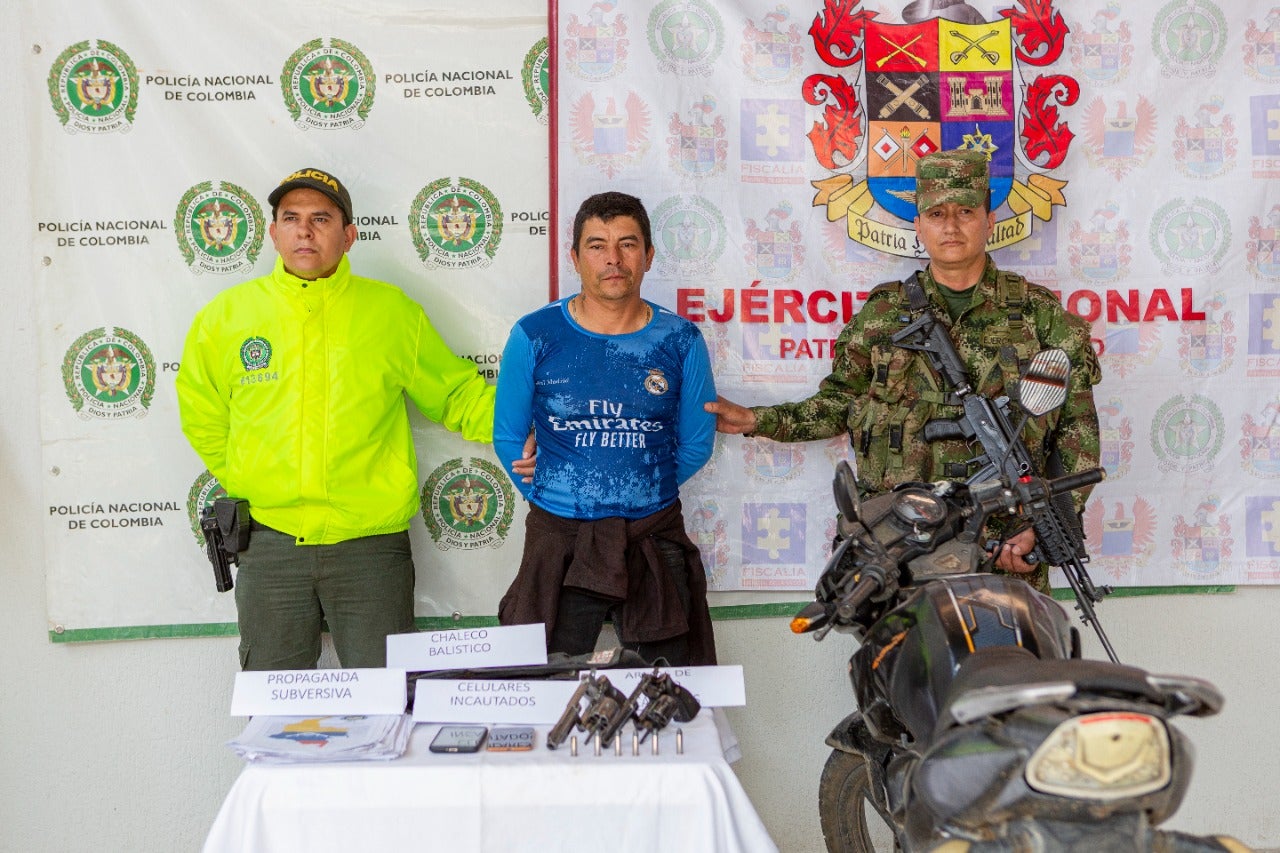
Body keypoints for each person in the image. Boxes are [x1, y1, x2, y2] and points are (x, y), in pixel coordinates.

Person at [706, 149, 1101, 588]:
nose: (950, 226)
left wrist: (1037, 533)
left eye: (966, 211)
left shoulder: (1042, 317)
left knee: (1007, 657)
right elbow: (840, 403)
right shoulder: (884, 315)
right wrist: (756, 420)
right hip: (898, 548)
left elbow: (1077, 439)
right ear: (918, 225)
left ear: (989, 221)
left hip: (1000, 552)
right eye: (936, 213)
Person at [176, 166, 502, 670]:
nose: (304, 231)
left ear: (349, 236)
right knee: (275, 709)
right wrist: (247, 475)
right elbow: (202, 411)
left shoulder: (391, 313)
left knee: (388, 705)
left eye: (321, 219)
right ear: (273, 232)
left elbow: (457, 396)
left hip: (370, 551)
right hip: (270, 546)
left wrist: (538, 423)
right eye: (291, 218)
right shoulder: (226, 318)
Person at [493, 191, 719, 665]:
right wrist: (549, 495)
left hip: (653, 533)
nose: (612, 259)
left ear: (649, 256)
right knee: (543, 677)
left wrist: (641, 487)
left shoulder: (680, 340)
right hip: (560, 538)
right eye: (597, 245)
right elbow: (509, 435)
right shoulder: (535, 334)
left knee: (669, 686)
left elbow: (696, 443)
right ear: (575, 258)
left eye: (628, 244)